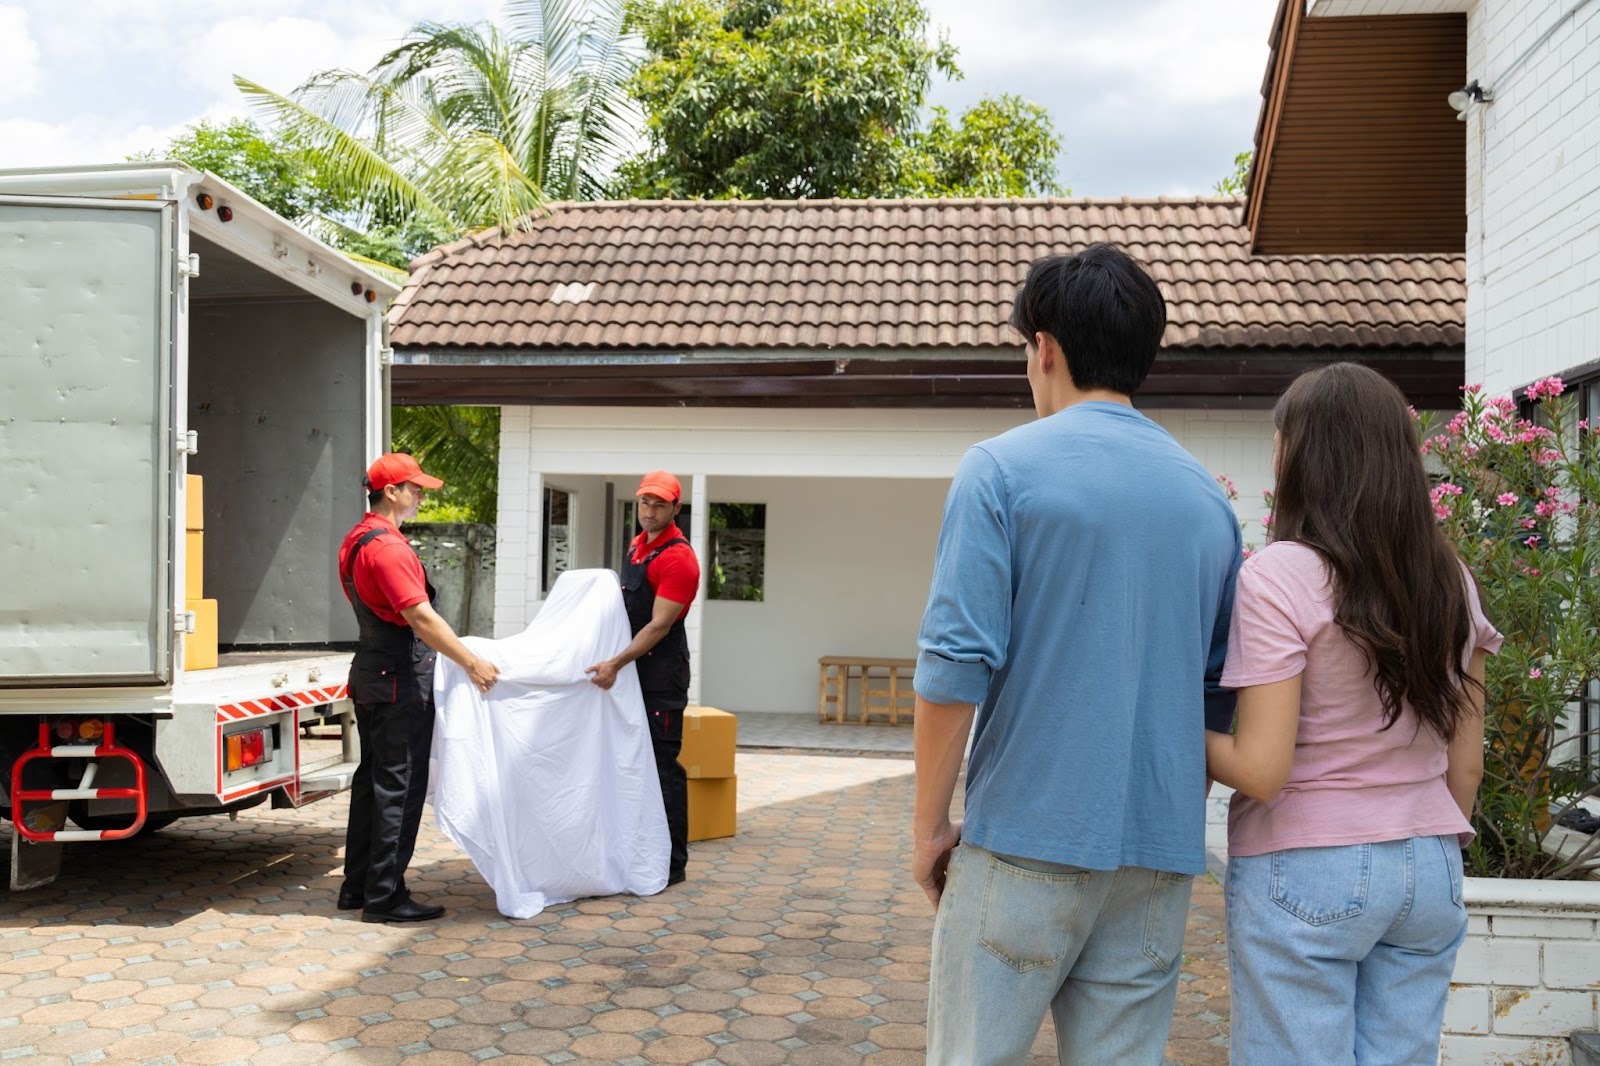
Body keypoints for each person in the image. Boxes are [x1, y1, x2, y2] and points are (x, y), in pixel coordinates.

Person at [912, 243, 1242, 1065]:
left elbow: (954, 671)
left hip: (1026, 836)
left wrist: (928, 830)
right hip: (1158, 855)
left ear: (1045, 346)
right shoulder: (1208, 502)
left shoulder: (999, 472)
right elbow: (1215, 691)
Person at [1205, 363, 1500, 1065]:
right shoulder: (1451, 579)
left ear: (1302, 455)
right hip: (1428, 867)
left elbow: (1263, 772)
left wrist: (1175, 729)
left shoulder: (1280, 575)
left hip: (1308, 865)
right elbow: (1468, 762)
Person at [338, 452, 499, 923]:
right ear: (391, 492)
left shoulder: (356, 539)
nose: (421, 495)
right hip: (397, 681)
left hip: (371, 672)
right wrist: (472, 662)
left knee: (372, 781)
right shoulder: (388, 548)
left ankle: (357, 886)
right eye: (416, 488)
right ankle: (385, 897)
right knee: (399, 787)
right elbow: (421, 617)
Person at [586, 471, 701, 886]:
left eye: (659, 504)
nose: (649, 511)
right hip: (633, 671)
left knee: (662, 766)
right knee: (634, 762)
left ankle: (672, 863)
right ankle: (641, 848)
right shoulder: (638, 547)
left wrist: (615, 663)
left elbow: (658, 626)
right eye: (644, 503)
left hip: (660, 677)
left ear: (675, 508)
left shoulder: (679, 559)